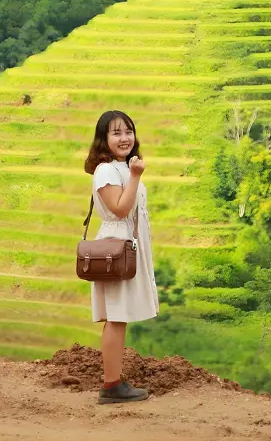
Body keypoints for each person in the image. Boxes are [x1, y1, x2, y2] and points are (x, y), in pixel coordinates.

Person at [83, 110, 159, 404]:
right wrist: (137, 176)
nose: (125, 138)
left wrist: (134, 173)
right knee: (115, 316)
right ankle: (111, 385)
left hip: (127, 245)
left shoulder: (122, 167)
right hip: (116, 247)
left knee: (119, 317)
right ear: (104, 139)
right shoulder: (106, 170)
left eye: (128, 131)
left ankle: (113, 382)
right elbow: (120, 209)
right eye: (116, 133)